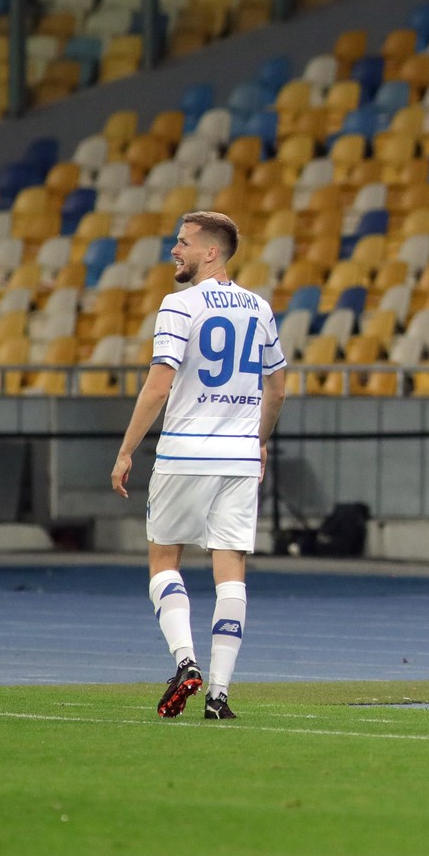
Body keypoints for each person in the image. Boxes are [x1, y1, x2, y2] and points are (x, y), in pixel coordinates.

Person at [111, 211, 287, 720]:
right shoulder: (259, 308)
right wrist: (259, 440)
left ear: (211, 252)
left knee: (164, 560)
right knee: (231, 570)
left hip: (184, 452)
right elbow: (276, 386)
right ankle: (220, 694)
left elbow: (160, 384)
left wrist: (126, 450)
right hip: (237, 457)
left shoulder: (178, 305)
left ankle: (187, 662)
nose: (175, 251)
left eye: (183, 243)